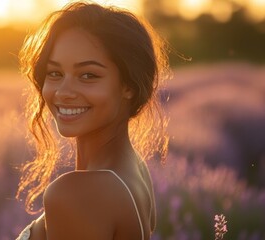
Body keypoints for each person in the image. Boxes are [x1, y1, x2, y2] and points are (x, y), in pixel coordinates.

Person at [16, 1, 170, 239]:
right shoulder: (133, 168)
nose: (63, 92)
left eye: (88, 75)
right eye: (55, 73)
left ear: (128, 85)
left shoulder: (78, 193)